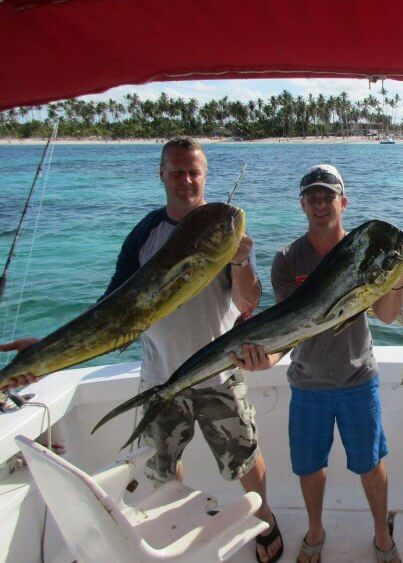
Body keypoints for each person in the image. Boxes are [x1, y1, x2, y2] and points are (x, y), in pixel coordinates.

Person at [0, 137, 283, 563]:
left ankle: (268, 520)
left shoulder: (227, 230)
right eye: (177, 171)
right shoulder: (144, 234)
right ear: (162, 174)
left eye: (194, 172)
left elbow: (249, 302)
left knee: (244, 457)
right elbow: (111, 309)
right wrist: (48, 349)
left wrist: (240, 261)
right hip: (161, 376)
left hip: (218, 372)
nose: (186, 180)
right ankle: (177, 517)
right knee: (162, 465)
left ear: (204, 175)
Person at [231, 164, 403, 563]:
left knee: (370, 463)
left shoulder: (367, 253)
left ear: (343, 202)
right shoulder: (287, 259)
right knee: (310, 466)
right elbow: (287, 328)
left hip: (358, 378)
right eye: (312, 197)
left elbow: (388, 315)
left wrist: (398, 276)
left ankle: (382, 533)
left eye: (328, 196)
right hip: (308, 383)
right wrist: (266, 358)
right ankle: (315, 529)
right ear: (302, 205)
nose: (320, 203)